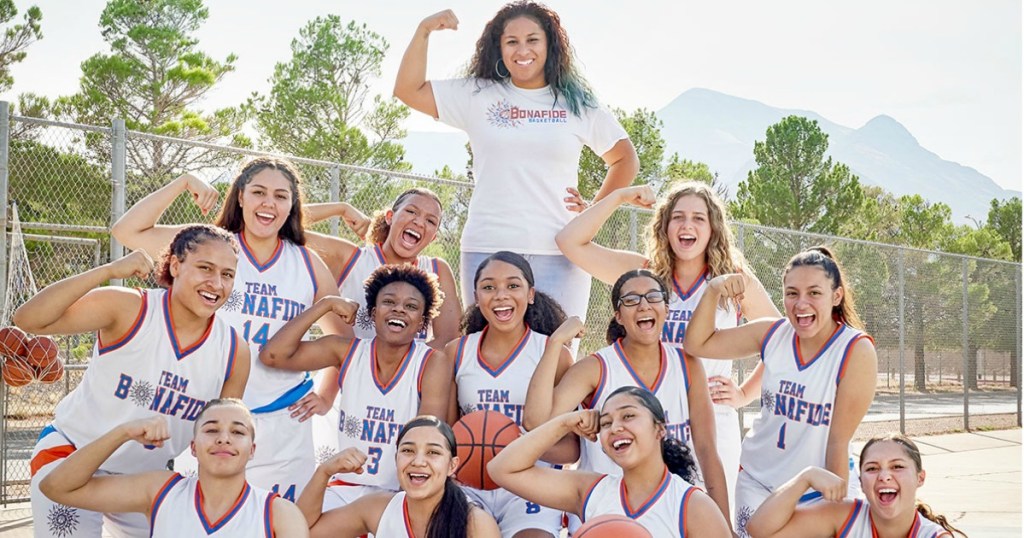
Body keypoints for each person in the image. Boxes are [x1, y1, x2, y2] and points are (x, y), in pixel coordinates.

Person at [110, 159, 345, 501]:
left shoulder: (307, 262)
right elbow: (127, 231)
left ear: (292, 205)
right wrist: (183, 180)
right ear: (240, 197)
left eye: (281, 196)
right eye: (258, 192)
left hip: (285, 419)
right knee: (209, 520)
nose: (269, 203)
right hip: (212, 415)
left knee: (279, 524)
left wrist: (326, 396)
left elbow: (344, 343)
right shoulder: (214, 246)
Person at [393, 3, 640, 324]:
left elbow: (624, 159)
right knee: (485, 358)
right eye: (512, 41)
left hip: (560, 254)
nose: (522, 50)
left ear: (550, 45)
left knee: (557, 360)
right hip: (488, 247)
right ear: (499, 47)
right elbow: (408, 90)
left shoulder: (576, 103)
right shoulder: (477, 95)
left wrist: (592, 212)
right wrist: (424, 30)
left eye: (532, 40)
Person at [556, 182, 781, 513]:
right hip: (645, 413)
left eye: (698, 218)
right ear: (664, 226)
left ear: (713, 227)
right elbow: (569, 242)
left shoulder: (732, 280)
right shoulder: (646, 273)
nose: (687, 225)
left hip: (709, 419)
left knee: (706, 518)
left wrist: (745, 394)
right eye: (678, 217)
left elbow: (783, 340)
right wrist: (617, 196)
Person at [15, 225, 250, 537]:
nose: (216, 283)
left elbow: (225, 432)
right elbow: (29, 319)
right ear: (176, 265)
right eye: (205, 268)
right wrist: (109, 270)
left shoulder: (234, 350)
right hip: (71, 457)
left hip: (143, 481)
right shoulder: (130, 308)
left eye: (227, 274)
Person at [683, 246, 878, 537]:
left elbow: (838, 441)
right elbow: (696, 344)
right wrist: (712, 291)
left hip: (816, 488)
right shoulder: (772, 332)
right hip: (757, 481)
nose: (801, 303)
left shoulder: (855, 349)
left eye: (814, 293)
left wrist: (834, 512)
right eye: (791, 293)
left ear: (836, 296)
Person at [523, 269, 731, 525]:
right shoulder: (596, 367)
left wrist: (724, 523)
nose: (643, 305)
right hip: (607, 513)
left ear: (666, 309)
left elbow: (707, 449)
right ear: (619, 316)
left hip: (668, 514)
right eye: (631, 300)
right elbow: (535, 422)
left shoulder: (687, 365)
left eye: (653, 297)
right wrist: (556, 343)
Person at [260, 264, 452, 511]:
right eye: (389, 302)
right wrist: (325, 305)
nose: (398, 309)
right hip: (345, 489)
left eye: (411, 306)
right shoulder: (348, 352)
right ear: (372, 313)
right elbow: (273, 355)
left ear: (422, 322)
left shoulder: (431, 362)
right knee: (296, 528)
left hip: (400, 493)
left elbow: (428, 438)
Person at [293, 188, 462, 466]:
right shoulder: (353, 258)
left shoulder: (436, 269)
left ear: (434, 235)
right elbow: (282, 223)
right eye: (411, 212)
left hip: (406, 397)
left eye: (431, 221)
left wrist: (395, 370)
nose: (420, 222)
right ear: (390, 217)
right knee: (341, 481)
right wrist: (342, 207)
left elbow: (446, 339)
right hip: (349, 397)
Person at [39, 400, 309, 537]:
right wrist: (122, 432)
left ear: (252, 450)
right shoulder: (162, 491)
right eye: (212, 429)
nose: (223, 438)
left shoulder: (278, 514)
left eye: (237, 432)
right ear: (193, 447)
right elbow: (57, 487)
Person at [489, 387, 731, 537]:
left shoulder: (692, 506)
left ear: (659, 429)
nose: (615, 427)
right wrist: (565, 422)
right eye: (605, 423)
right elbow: (502, 469)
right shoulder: (592, 491)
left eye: (628, 416)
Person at [447, 251, 573, 537]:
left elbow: (571, 449)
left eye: (513, 286)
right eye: (489, 287)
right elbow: (445, 435)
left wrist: (517, 444)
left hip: (533, 480)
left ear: (530, 295)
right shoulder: (457, 353)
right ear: (477, 297)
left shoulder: (555, 354)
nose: (501, 295)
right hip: (471, 486)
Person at [297, 415, 501, 537]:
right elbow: (300, 532)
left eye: (433, 452)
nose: (418, 461)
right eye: (408, 451)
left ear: (452, 466)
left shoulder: (476, 524)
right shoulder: (378, 508)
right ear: (396, 459)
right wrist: (323, 472)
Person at [746, 434, 966, 537]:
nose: (884, 476)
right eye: (872, 468)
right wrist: (805, 478)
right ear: (860, 482)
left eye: (897, 467)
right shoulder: (845, 516)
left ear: (920, 478)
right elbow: (759, 530)